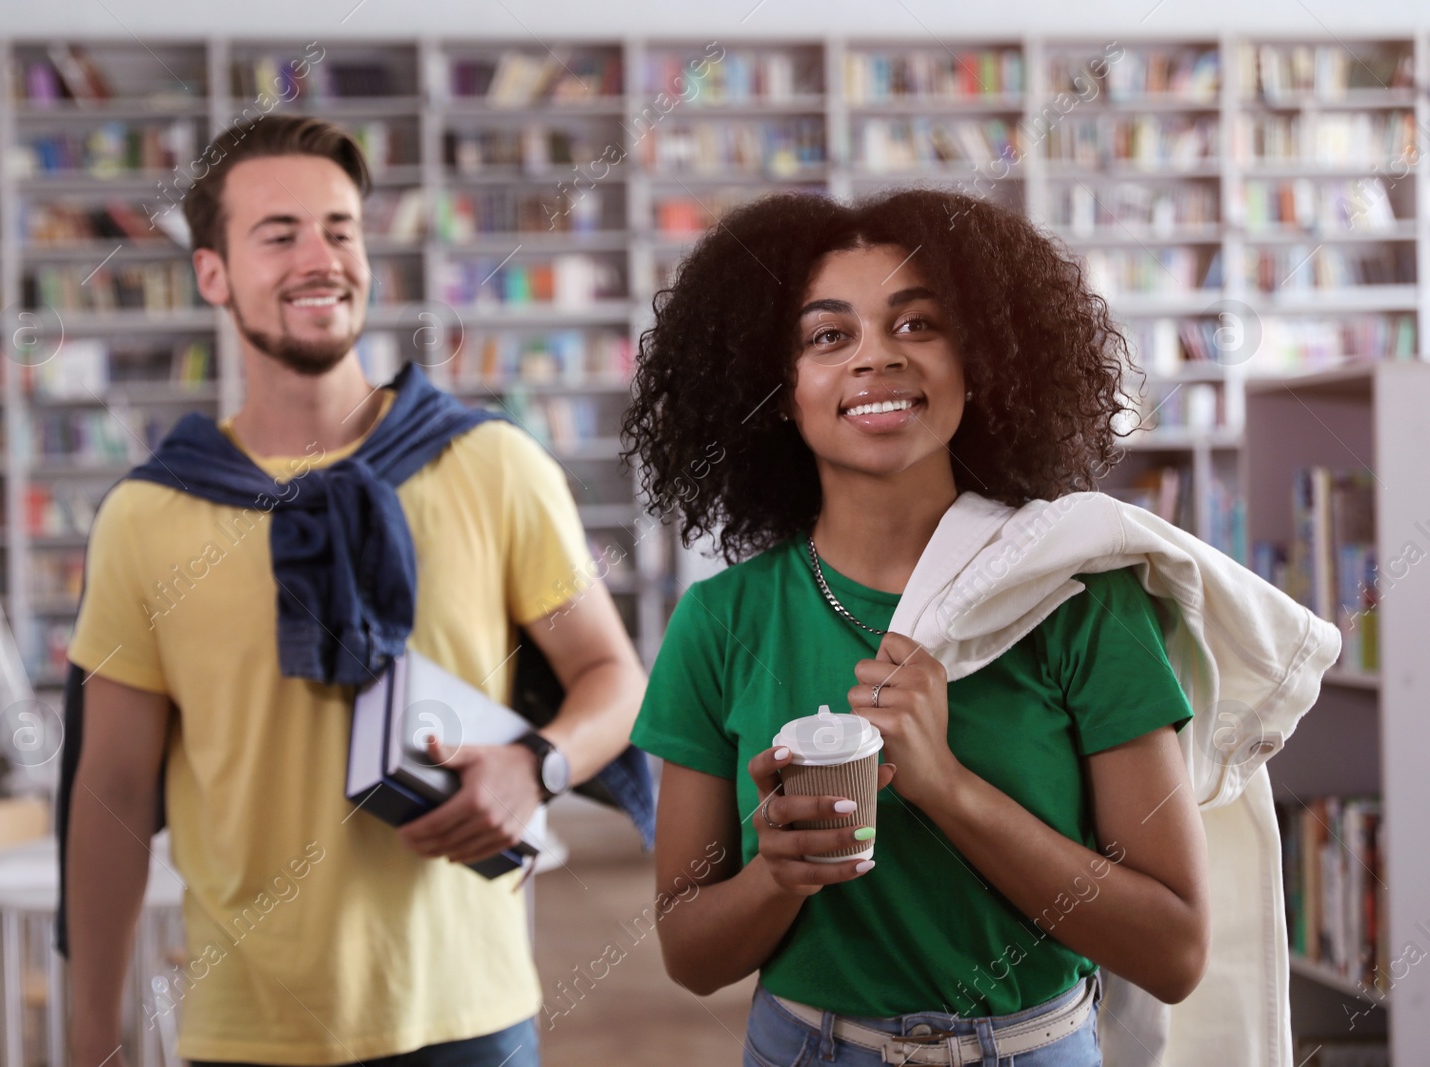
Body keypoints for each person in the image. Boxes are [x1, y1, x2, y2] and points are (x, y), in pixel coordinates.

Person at [64, 114, 647, 1067]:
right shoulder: (149, 515)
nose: (319, 257)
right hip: (247, 1023)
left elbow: (614, 680)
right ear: (212, 273)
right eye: (279, 232)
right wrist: (89, 1035)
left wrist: (534, 764)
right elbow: (113, 790)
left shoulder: (492, 463)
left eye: (340, 228)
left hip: (466, 1013)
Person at [621, 188, 1212, 1066]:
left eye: (918, 325)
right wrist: (775, 876)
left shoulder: (1079, 599)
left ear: (976, 363)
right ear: (778, 392)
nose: (876, 359)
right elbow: (689, 953)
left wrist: (946, 786)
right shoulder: (720, 622)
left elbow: (1174, 950)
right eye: (829, 336)